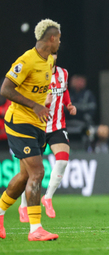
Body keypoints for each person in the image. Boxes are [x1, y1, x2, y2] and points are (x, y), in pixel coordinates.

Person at [0, 18, 61, 241]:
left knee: (26, 175)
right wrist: (35, 105)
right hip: (18, 122)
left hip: (37, 124)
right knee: (38, 172)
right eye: (59, 39)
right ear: (52, 38)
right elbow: (5, 89)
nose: (59, 44)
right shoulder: (26, 60)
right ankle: (35, 229)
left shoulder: (49, 62)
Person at [18, 52, 77, 222]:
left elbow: (64, 91)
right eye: (50, 52)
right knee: (30, 171)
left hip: (57, 126)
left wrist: (69, 105)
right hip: (37, 126)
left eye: (56, 52)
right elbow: (26, 99)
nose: (54, 55)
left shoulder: (63, 73)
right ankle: (23, 205)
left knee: (63, 160)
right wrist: (43, 103)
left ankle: (48, 197)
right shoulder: (35, 74)